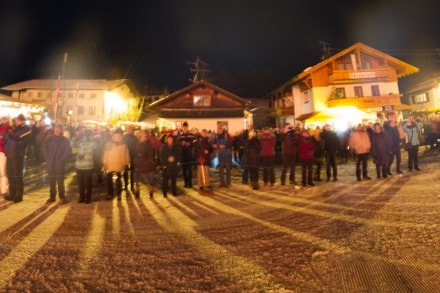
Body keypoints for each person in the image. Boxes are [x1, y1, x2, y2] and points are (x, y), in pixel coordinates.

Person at [4, 114, 31, 203]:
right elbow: (10, 136)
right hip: (10, 154)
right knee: (10, 174)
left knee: (17, 175)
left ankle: (19, 194)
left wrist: (10, 136)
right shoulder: (16, 128)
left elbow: (20, 138)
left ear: (21, 120)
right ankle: (12, 193)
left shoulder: (26, 128)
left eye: (16, 120)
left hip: (17, 155)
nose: (15, 121)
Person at [44, 124, 72, 203]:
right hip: (51, 163)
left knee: (60, 181)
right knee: (52, 181)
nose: (56, 130)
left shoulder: (65, 140)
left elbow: (68, 151)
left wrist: (61, 159)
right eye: (55, 129)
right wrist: (48, 159)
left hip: (59, 164)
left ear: (61, 130)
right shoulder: (49, 139)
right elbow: (45, 150)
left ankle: (62, 196)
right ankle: (52, 196)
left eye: (58, 129)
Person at [102, 129, 130, 200]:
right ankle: (113, 193)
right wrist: (105, 163)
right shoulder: (109, 145)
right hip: (111, 164)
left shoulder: (123, 145)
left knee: (117, 179)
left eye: (118, 137)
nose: (116, 138)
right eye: (115, 137)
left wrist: (126, 163)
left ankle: (116, 193)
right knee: (111, 180)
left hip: (116, 164)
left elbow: (126, 155)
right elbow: (105, 154)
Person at [134, 129, 161, 198]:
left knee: (149, 177)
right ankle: (137, 191)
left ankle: (150, 191)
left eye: (143, 133)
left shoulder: (148, 142)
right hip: (139, 162)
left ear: (146, 134)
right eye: (141, 133)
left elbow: (150, 152)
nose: (142, 134)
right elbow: (135, 151)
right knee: (137, 177)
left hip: (146, 162)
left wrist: (148, 159)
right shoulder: (137, 142)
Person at [75, 129, 96, 203]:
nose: (86, 137)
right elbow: (74, 146)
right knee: (81, 183)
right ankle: (81, 197)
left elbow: (91, 150)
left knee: (88, 183)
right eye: (85, 135)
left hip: (88, 166)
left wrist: (84, 149)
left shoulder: (93, 143)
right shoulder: (80, 143)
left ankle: (88, 198)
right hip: (79, 165)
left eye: (87, 135)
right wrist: (77, 137)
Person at [178, 122, 196, 188]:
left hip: (190, 155)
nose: (185, 128)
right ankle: (186, 183)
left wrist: (190, 144)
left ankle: (190, 182)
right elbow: (178, 143)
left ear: (187, 127)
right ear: (182, 128)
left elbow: (195, 142)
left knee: (190, 170)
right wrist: (181, 144)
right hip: (183, 155)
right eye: (184, 127)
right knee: (184, 170)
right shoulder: (180, 136)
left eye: (186, 127)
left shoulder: (191, 135)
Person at [123, 125, 138, 193]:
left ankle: (132, 185)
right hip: (125, 156)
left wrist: (135, 156)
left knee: (132, 172)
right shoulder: (124, 137)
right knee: (125, 171)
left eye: (129, 129)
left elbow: (137, 147)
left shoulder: (134, 138)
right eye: (127, 129)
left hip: (132, 156)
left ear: (131, 130)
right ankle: (126, 185)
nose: (128, 130)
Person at [0, 116, 11, 197]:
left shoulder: (10, 128)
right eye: (2, 119)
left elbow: (9, 139)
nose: (3, 120)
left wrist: (2, 136)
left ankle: (5, 189)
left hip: (3, 151)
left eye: (5, 119)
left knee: (3, 171)